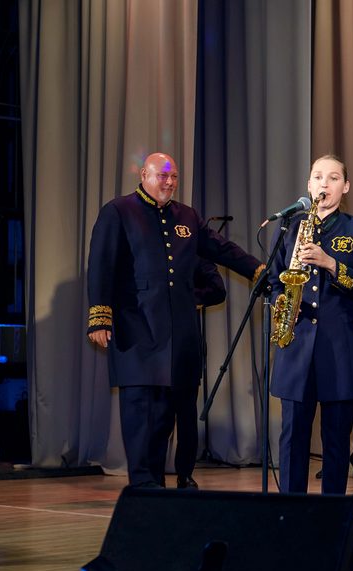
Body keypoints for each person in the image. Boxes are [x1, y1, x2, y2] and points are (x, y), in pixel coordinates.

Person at [87, 152, 264, 489]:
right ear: (144, 175)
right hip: (137, 329)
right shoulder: (118, 211)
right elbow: (101, 263)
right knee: (140, 413)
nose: (169, 182)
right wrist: (99, 316)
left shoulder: (187, 216)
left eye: (174, 177)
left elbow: (221, 249)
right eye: (162, 176)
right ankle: (143, 487)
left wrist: (258, 270)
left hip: (177, 335)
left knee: (163, 416)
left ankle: (156, 487)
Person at [269, 154, 353, 496]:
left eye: (333, 178)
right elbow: (274, 280)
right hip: (297, 346)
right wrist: (282, 302)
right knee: (292, 437)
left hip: (341, 347)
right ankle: (289, 512)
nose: (324, 184)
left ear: (345, 187)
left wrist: (331, 264)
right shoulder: (289, 228)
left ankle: (332, 512)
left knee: (336, 439)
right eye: (318, 177)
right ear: (309, 184)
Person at [168, 259, 227, 490]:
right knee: (156, 417)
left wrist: (184, 298)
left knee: (186, 416)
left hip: (186, 344)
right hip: (151, 346)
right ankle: (150, 477)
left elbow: (218, 290)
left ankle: (185, 474)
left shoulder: (194, 250)